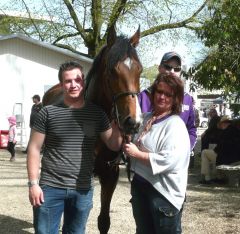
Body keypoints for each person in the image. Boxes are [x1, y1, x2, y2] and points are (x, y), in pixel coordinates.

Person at [26, 61, 123, 234]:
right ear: (61, 84)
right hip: (50, 189)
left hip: (82, 192)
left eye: (78, 80)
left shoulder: (97, 114)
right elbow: (34, 148)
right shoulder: (47, 113)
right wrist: (33, 184)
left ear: (84, 82)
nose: (74, 85)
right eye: (68, 81)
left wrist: (119, 128)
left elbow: (113, 144)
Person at [123, 74, 190, 234]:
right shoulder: (146, 119)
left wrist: (137, 154)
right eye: (159, 91)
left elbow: (170, 160)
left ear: (176, 99)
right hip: (141, 188)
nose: (162, 97)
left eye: (168, 94)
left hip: (163, 195)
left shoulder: (175, 125)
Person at [138, 51, 197, 155]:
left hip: (175, 161)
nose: (172, 71)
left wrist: (186, 150)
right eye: (168, 67)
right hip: (144, 161)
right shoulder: (143, 96)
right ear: (160, 68)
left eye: (177, 68)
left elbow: (191, 130)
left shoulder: (187, 99)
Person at [199, 116, 240, 184]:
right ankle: (219, 177)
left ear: (223, 123)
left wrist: (215, 149)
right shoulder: (236, 131)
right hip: (237, 158)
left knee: (204, 152)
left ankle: (207, 178)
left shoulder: (225, 132)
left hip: (228, 160)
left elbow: (220, 148)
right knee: (216, 155)